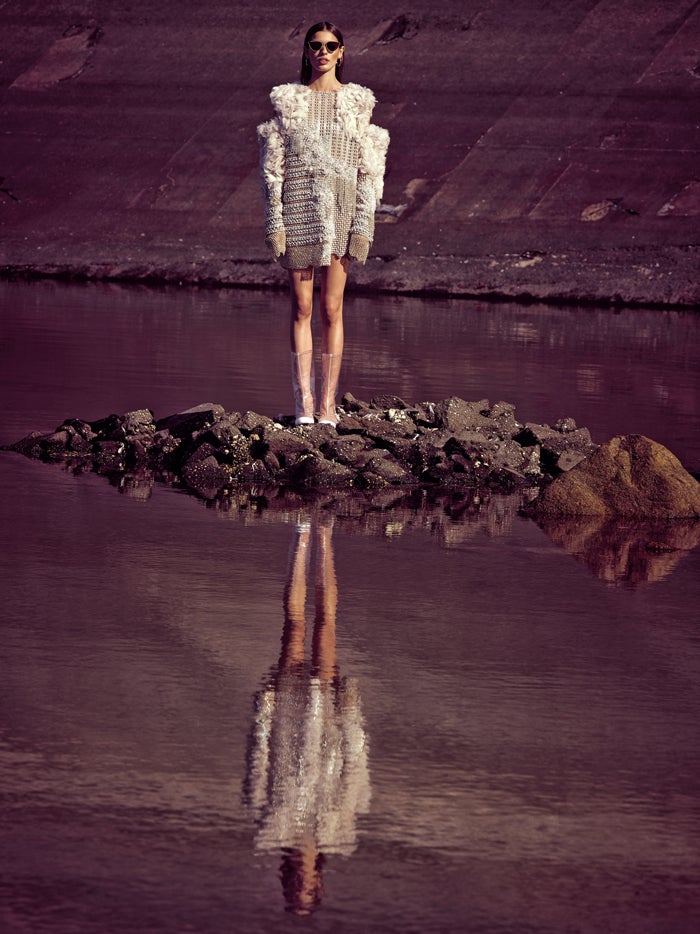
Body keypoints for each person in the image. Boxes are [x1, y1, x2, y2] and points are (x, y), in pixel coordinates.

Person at [257, 22, 389, 426]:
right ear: (306, 51)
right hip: (299, 213)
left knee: (332, 308)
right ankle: (304, 406)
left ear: (342, 51)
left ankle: (328, 407)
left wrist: (363, 225)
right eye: (315, 45)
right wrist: (275, 221)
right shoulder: (290, 102)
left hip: (343, 215)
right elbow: (273, 170)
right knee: (302, 306)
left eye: (331, 46)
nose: (323, 52)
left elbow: (368, 170)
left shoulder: (356, 103)